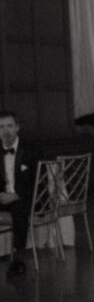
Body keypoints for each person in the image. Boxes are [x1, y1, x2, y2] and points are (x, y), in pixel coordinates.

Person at [0, 109, 37, 279]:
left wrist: (15, 195)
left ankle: (18, 259)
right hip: (3, 197)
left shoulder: (30, 149)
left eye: (9, 126)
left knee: (19, 210)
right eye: (1, 127)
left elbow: (39, 181)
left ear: (17, 128)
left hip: (26, 197)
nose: (5, 131)